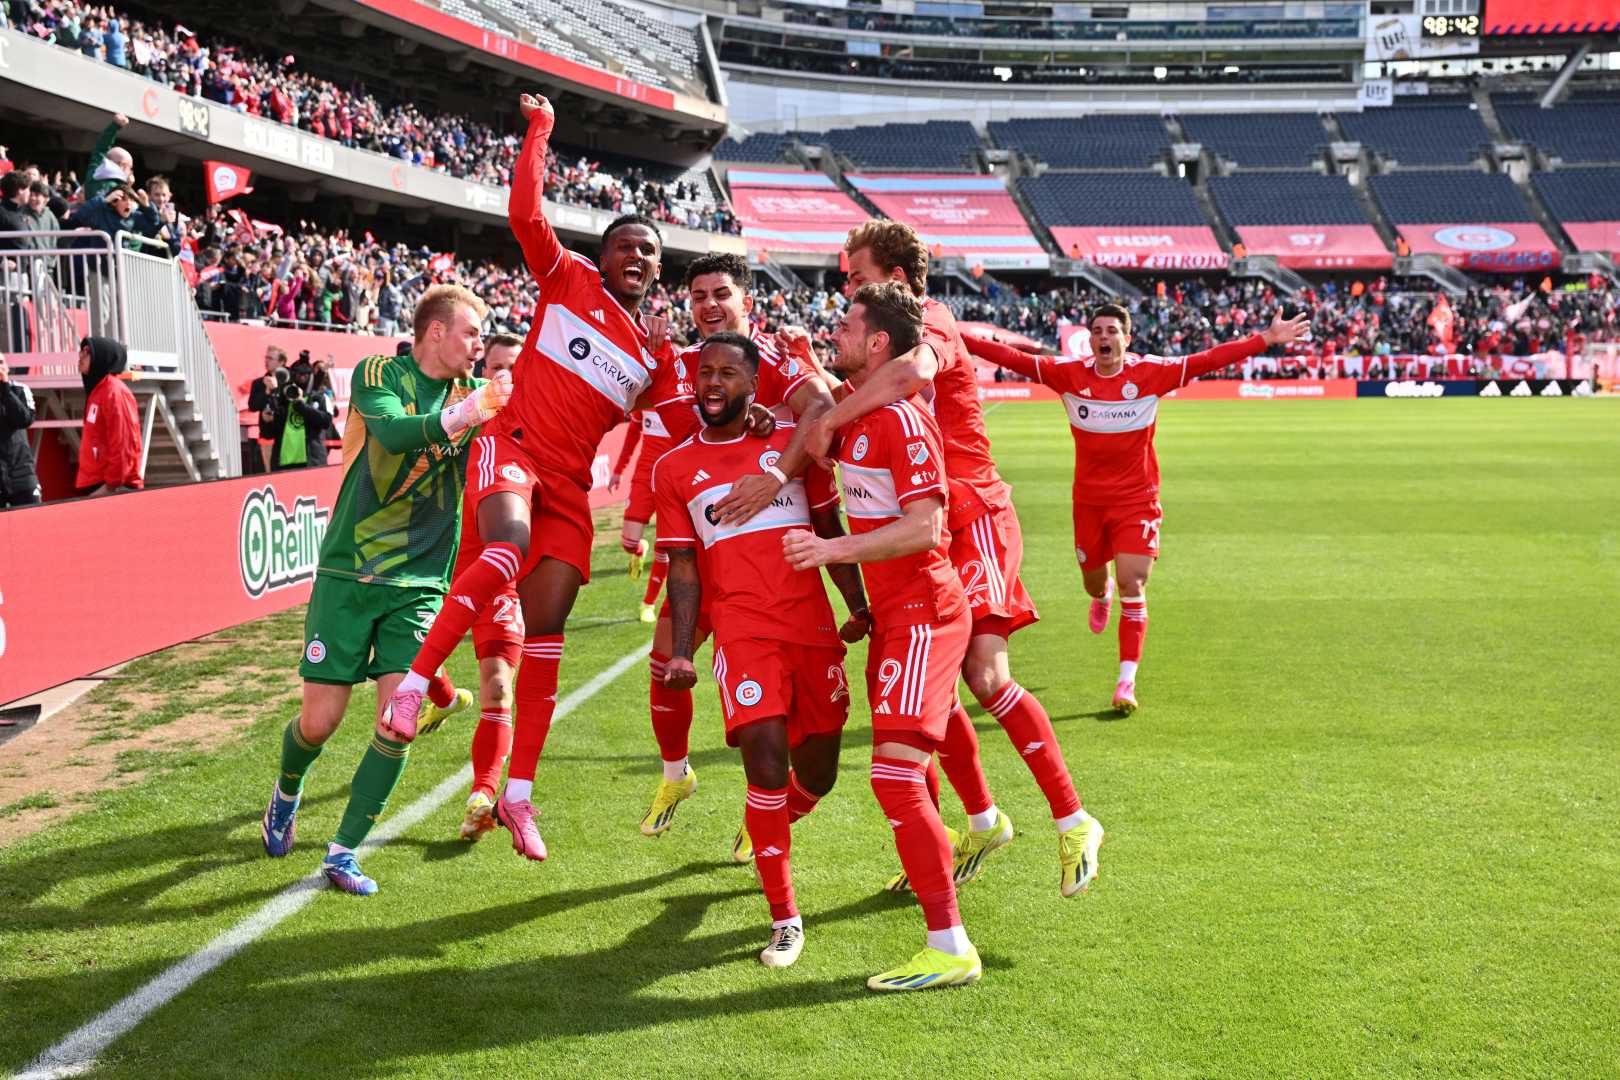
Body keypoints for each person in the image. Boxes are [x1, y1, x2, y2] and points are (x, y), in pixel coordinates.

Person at [380, 93, 695, 865]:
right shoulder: (568, 278)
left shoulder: (654, 357)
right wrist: (541, 134)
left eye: (649, 251)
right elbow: (525, 213)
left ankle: (517, 794)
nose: (636, 256)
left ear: (658, 269)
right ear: (606, 254)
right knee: (500, 554)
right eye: (625, 244)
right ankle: (416, 688)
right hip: (511, 448)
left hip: (571, 488)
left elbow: (688, 425)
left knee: (546, 639)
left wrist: (686, 363)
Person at [801, 221, 1095, 894]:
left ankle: (1073, 818)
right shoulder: (876, 357)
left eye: (856, 276)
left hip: (973, 516)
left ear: (895, 279)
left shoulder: (927, 319)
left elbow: (911, 372)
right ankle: (983, 819)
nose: (847, 287)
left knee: (985, 676)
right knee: (932, 680)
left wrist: (831, 422)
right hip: (931, 530)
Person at [258, 285, 513, 896]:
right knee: (319, 724)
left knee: (398, 719)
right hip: (349, 571)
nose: (479, 345)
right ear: (435, 332)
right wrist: (470, 411)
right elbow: (396, 436)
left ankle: (343, 853)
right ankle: (287, 790)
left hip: (421, 583)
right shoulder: (382, 372)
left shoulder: (472, 397)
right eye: (471, 332)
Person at [779, 282, 991, 991]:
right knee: (905, 773)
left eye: (845, 325)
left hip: (928, 611)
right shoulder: (858, 410)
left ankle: (951, 945)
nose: (834, 331)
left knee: (895, 775)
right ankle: (949, 914)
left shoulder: (900, 419)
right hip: (896, 619)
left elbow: (928, 527)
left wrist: (828, 552)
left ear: (877, 344)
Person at [962, 303, 1308, 713]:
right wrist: (954, 332)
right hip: (1088, 502)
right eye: (1097, 331)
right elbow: (1013, 358)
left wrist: (1265, 340)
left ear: (1127, 338)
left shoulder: (1151, 373)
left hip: (1137, 500)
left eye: (1112, 331)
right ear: (1089, 339)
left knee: (1133, 582)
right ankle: (1101, 593)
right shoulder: (1069, 375)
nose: (1103, 337)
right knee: (1095, 582)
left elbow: (1208, 360)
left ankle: (1126, 682)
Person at [656, 331, 867, 969]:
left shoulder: (791, 447)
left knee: (820, 773)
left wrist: (857, 604)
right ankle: (784, 917)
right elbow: (685, 568)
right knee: (766, 763)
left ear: (753, 385)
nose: (712, 384)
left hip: (811, 626)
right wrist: (685, 648)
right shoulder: (674, 468)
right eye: (704, 373)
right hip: (745, 633)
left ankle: (764, 825)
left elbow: (829, 525)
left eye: (727, 374)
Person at [636, 252, 834, 849]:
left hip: (774, 552)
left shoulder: (775, 359)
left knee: (805, 731)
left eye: (721, 293)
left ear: (748, 300)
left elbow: (822, 415)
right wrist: (647, 359)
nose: (709, 305)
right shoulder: (686, 368)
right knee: (664, 661)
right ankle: (676, 776)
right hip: (700, 547)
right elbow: (651, 425)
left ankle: (776, 813)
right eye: (698, 295)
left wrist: (771, 446)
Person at [453, 332, 528, 841]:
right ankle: (440, 696)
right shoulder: (460, 418)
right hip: (437, 565)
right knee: (400, 672)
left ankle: (482, 793)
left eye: (513, 369)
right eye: (495, 367)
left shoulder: (538, 426)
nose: (504, 378)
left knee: (498, 683)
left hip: (500, 571)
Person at [76, 337, 143, 496]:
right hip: (95, 483)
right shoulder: (98, 391)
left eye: (87, 352)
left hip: (111, 488)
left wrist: (110, 486)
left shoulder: (114, 392)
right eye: (81, 351)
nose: (80, 356)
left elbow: (124, 443)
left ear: (102, 356)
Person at [267, 354, 332, 470]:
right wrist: (266, 417)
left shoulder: (320, 397)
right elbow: (267, 432)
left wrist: (301, 405)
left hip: (312, 462)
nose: (301, 378)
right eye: (298, 375)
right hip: (284, 463)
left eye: (305, 375)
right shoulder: (284, 398)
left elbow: (326, 421)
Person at [0, 352, 41, 507]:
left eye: (1, 362)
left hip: (22, 476)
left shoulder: (19, 389)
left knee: (34, 526)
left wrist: (5, 389)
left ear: (7, 367)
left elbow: (25, 419)